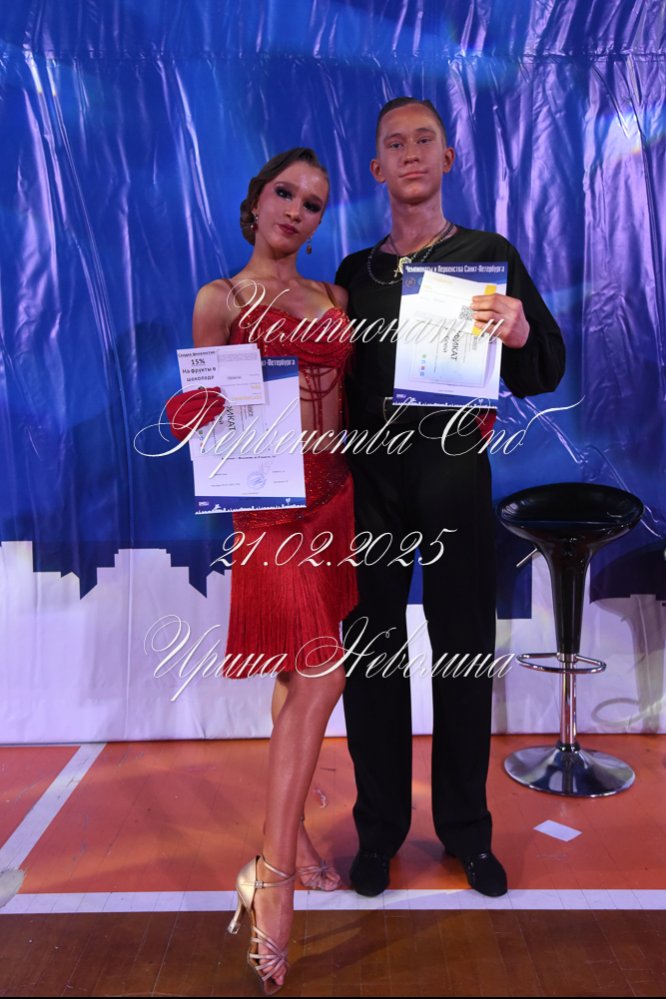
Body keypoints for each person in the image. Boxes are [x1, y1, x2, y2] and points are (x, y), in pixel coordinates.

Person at [336, 98, 566, 899]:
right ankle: (378, 832)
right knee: (373, 659)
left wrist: (519, 330)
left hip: (452, 473)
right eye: (394, 143)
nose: (410, 153)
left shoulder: (486, 256)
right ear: (377, 167)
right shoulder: (354, 275)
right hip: (371, 483)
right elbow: (330, 386)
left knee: (462, 653)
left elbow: (545, 368)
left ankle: (467, 831)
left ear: (448, 157)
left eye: (424, 140)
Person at [166, 147, 356, 994]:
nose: (296, 210)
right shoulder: (222, 298)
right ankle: (272, 880)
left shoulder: (335, 299)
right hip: (272, 509)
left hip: (337, 498)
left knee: (294, 675)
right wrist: (192, 409)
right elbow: (202, 418)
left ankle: (297, 839)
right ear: (257, 199)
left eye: (313, 203)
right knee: (322, 673)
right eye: (286, 192)